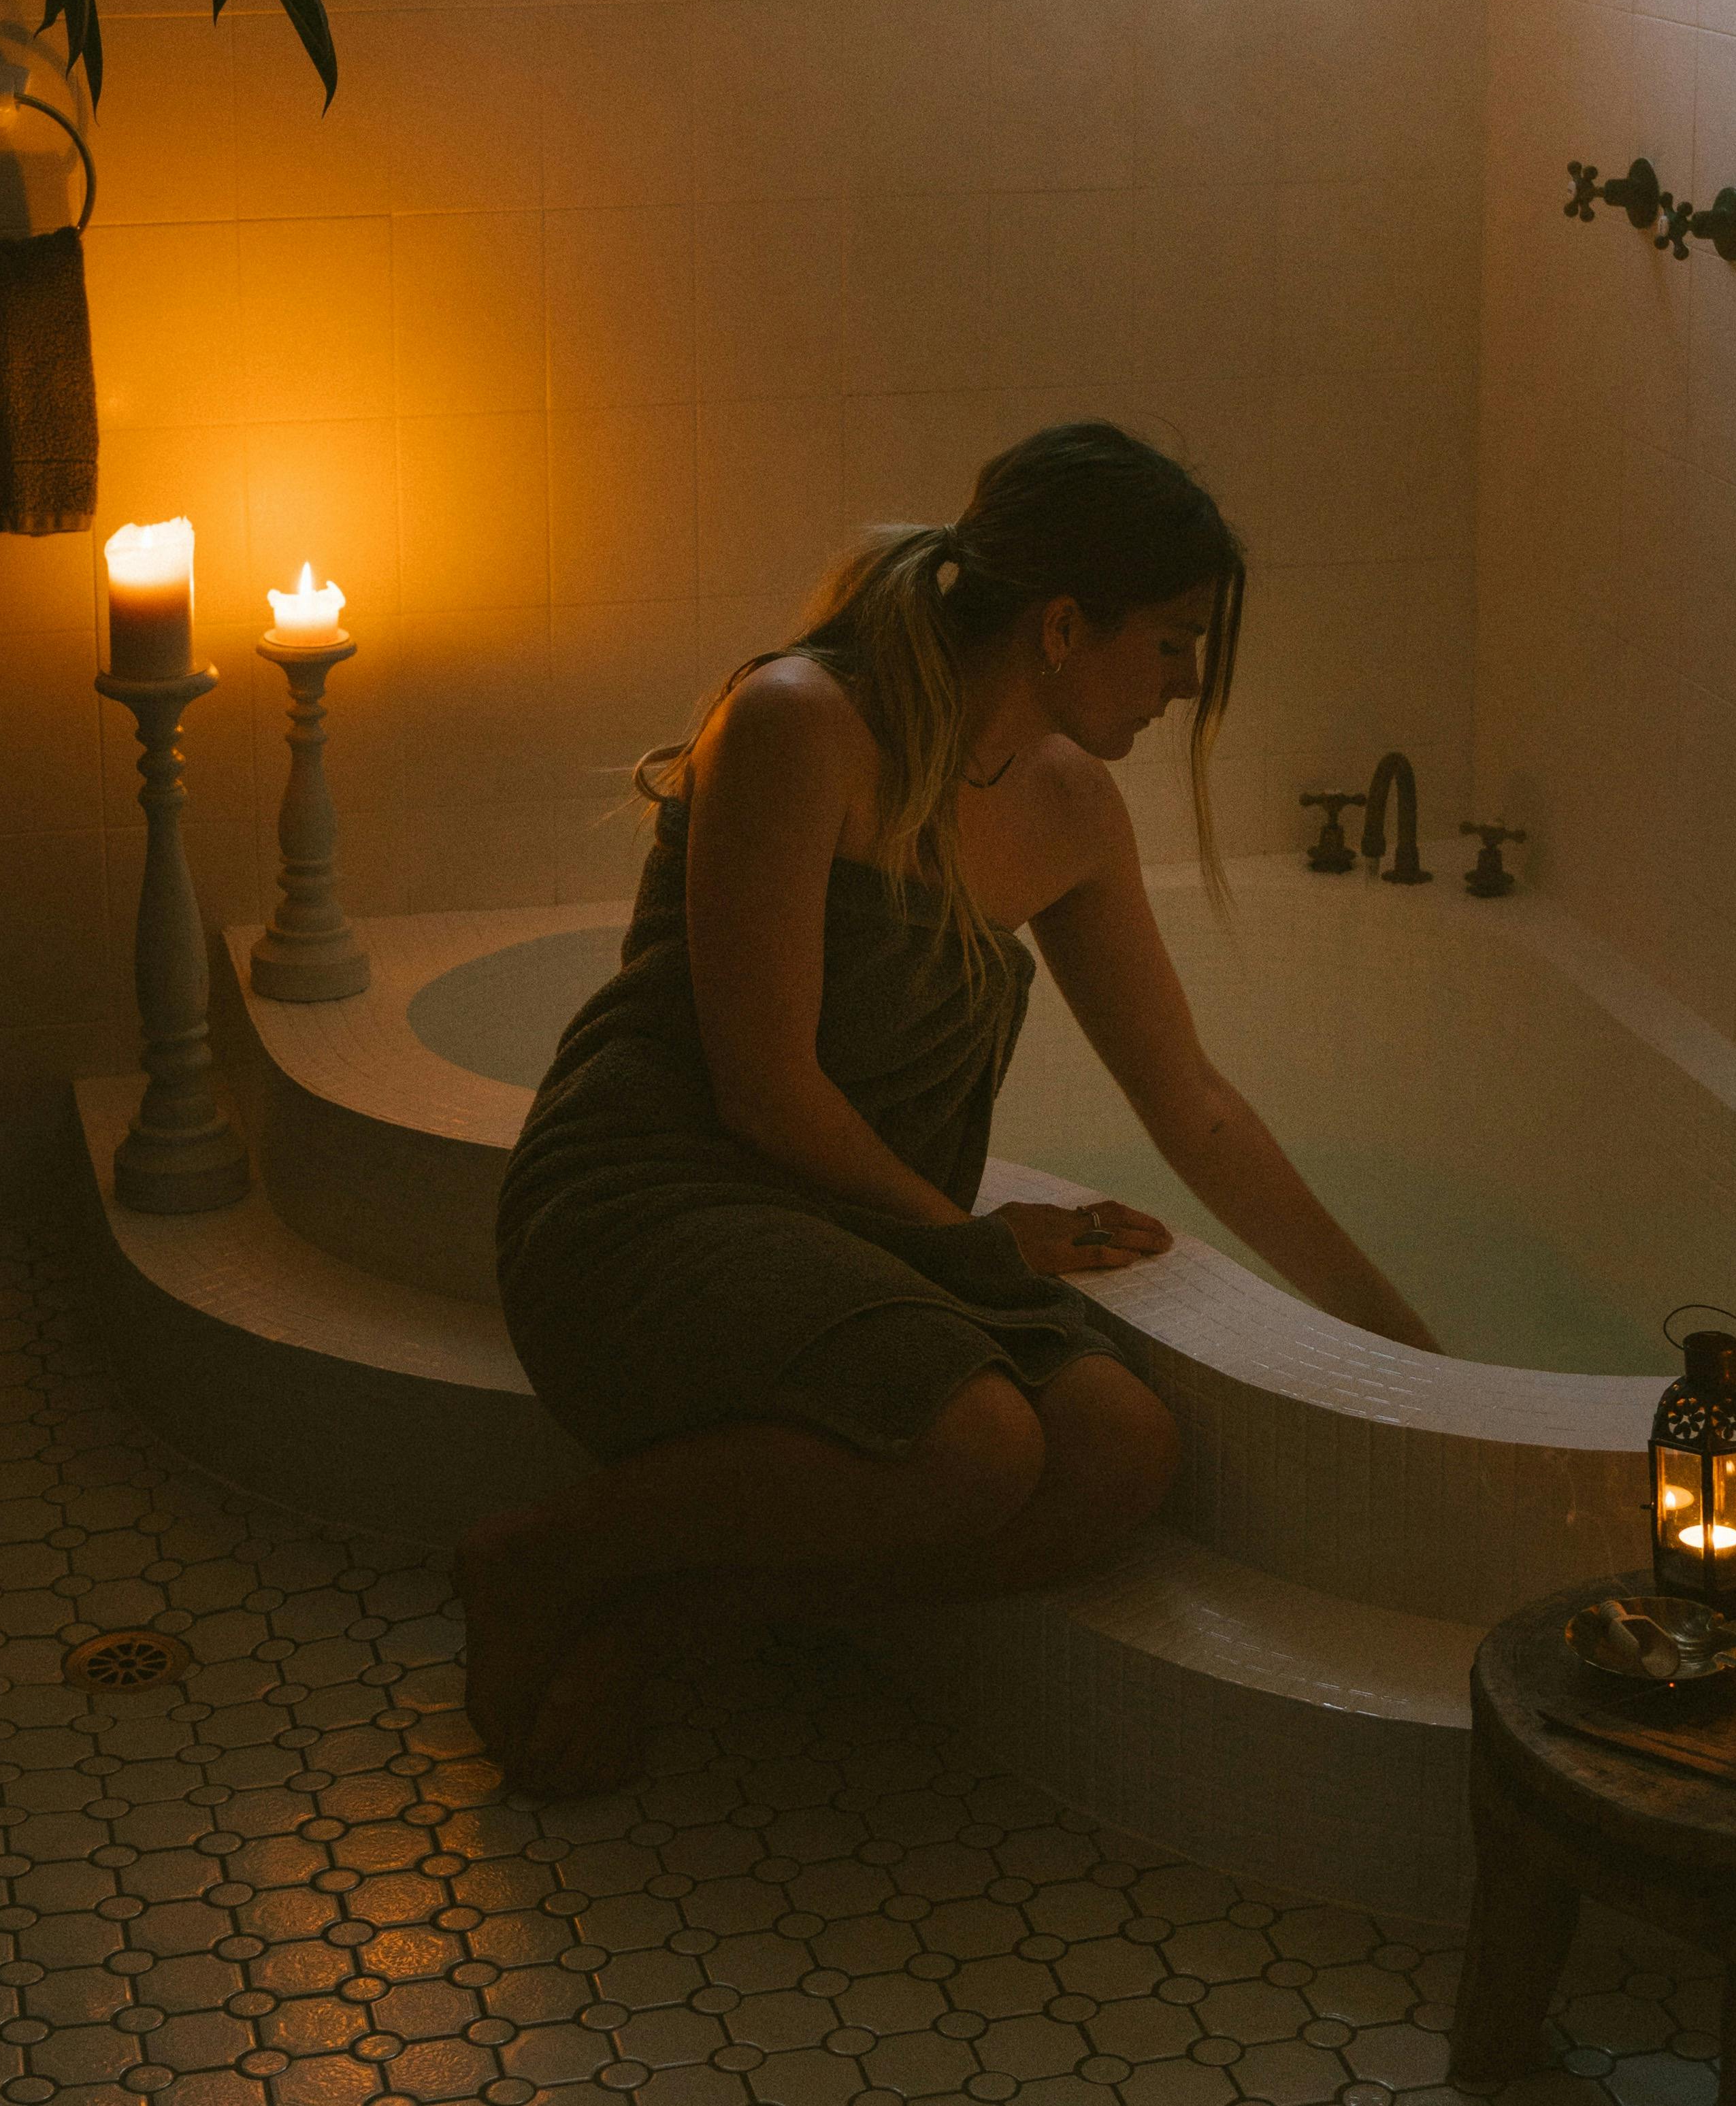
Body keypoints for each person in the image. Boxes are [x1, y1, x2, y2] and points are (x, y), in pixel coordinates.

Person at [462, 421, 1437, 1798]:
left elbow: (1195, 1106)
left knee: (1120, 1454)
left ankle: (661, 1620)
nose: (1186, 682)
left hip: (856, 1237)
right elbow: (764, 1091)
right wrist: (976, 1239)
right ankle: (541, 1556)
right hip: (653, 1199)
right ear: (1061, 626)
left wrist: (1407, 1347)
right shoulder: (801, 723)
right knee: (977, 1442)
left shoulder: (1070, 810)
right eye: (1169, 641)